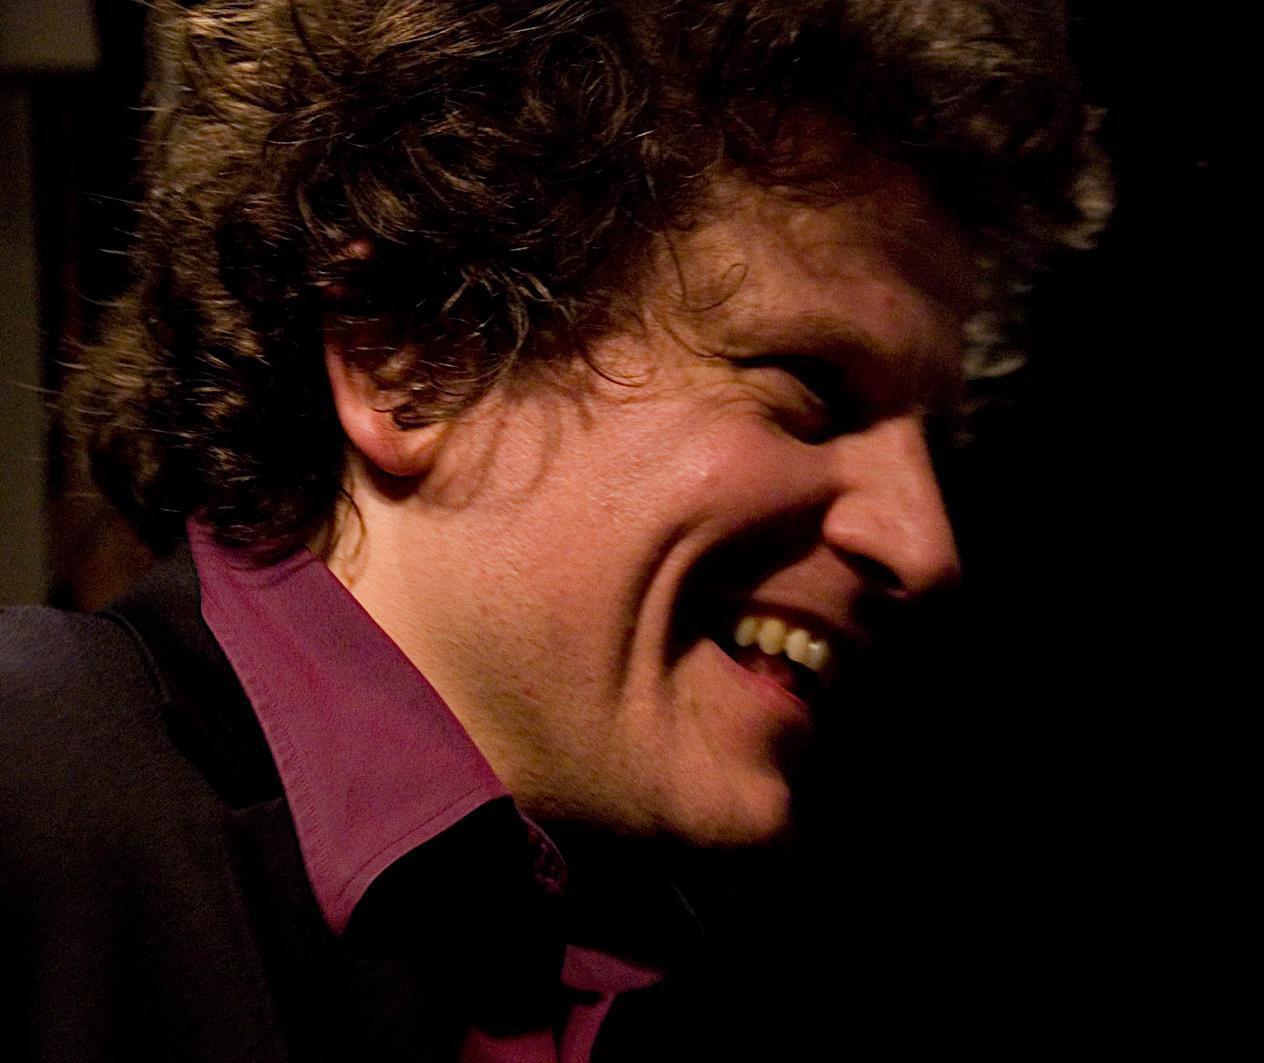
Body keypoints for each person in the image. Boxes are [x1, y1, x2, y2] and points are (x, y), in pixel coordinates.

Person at [1, 0, 1107, 1058]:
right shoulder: (31, 802)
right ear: (415, 352)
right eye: (812, 385)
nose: (922, 540)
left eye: (934, 441)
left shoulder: (768, 957)